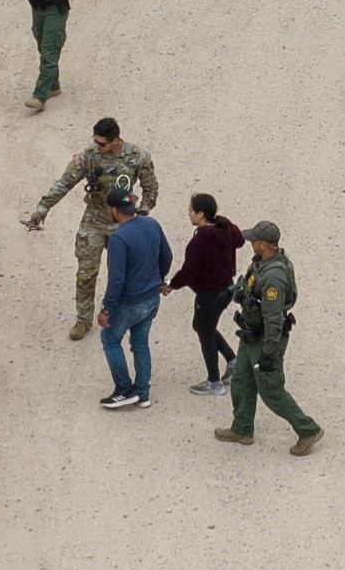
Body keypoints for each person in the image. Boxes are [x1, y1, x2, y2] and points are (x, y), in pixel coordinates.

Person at [23, 117, 158, 340]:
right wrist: (43, 208)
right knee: (86, 272)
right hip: (94, 219)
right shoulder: (88, 157)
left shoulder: (137, 157)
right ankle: (83, 319)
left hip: (122, 222)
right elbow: (65, 183)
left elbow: (150, 188)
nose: (98, 146)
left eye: (102, 143)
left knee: (121, 273)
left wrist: (140, 215)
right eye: (95, 141)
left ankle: (118, 314)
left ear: (116, 141)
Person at [214, 221, 324, 456]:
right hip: (251, 335)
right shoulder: (262, 264)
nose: (250, 243)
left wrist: (268, 352)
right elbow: (250, 287)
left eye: (254, 240)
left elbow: (273, 319)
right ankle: (242, 429)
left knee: (272, 391)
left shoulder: (274, 277)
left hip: (265, 339)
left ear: (264, 245)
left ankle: (307, 429)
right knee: (242, 382)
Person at [161, 193, 244, 396]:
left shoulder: (200, 241)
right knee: (202, 326)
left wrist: (171, 285)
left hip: (209, 294)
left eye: (191, 211)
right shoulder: (226, 228)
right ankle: (232, 361)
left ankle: (214, 382)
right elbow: (240, 241)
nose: (189, 215)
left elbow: (189, 271)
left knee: (205, 332)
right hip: (226, 289)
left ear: (200, 214)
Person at [97, 187, 172, 409]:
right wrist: (160, 278)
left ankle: (124, 389)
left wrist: (106, 308)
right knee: (140, 344)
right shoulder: (151, 223)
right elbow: (166, 255)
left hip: (128, 303)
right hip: (151, 299)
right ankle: (143, 393)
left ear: (113, 209)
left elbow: (117, 280)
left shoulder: (119, 238)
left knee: (110, 339)